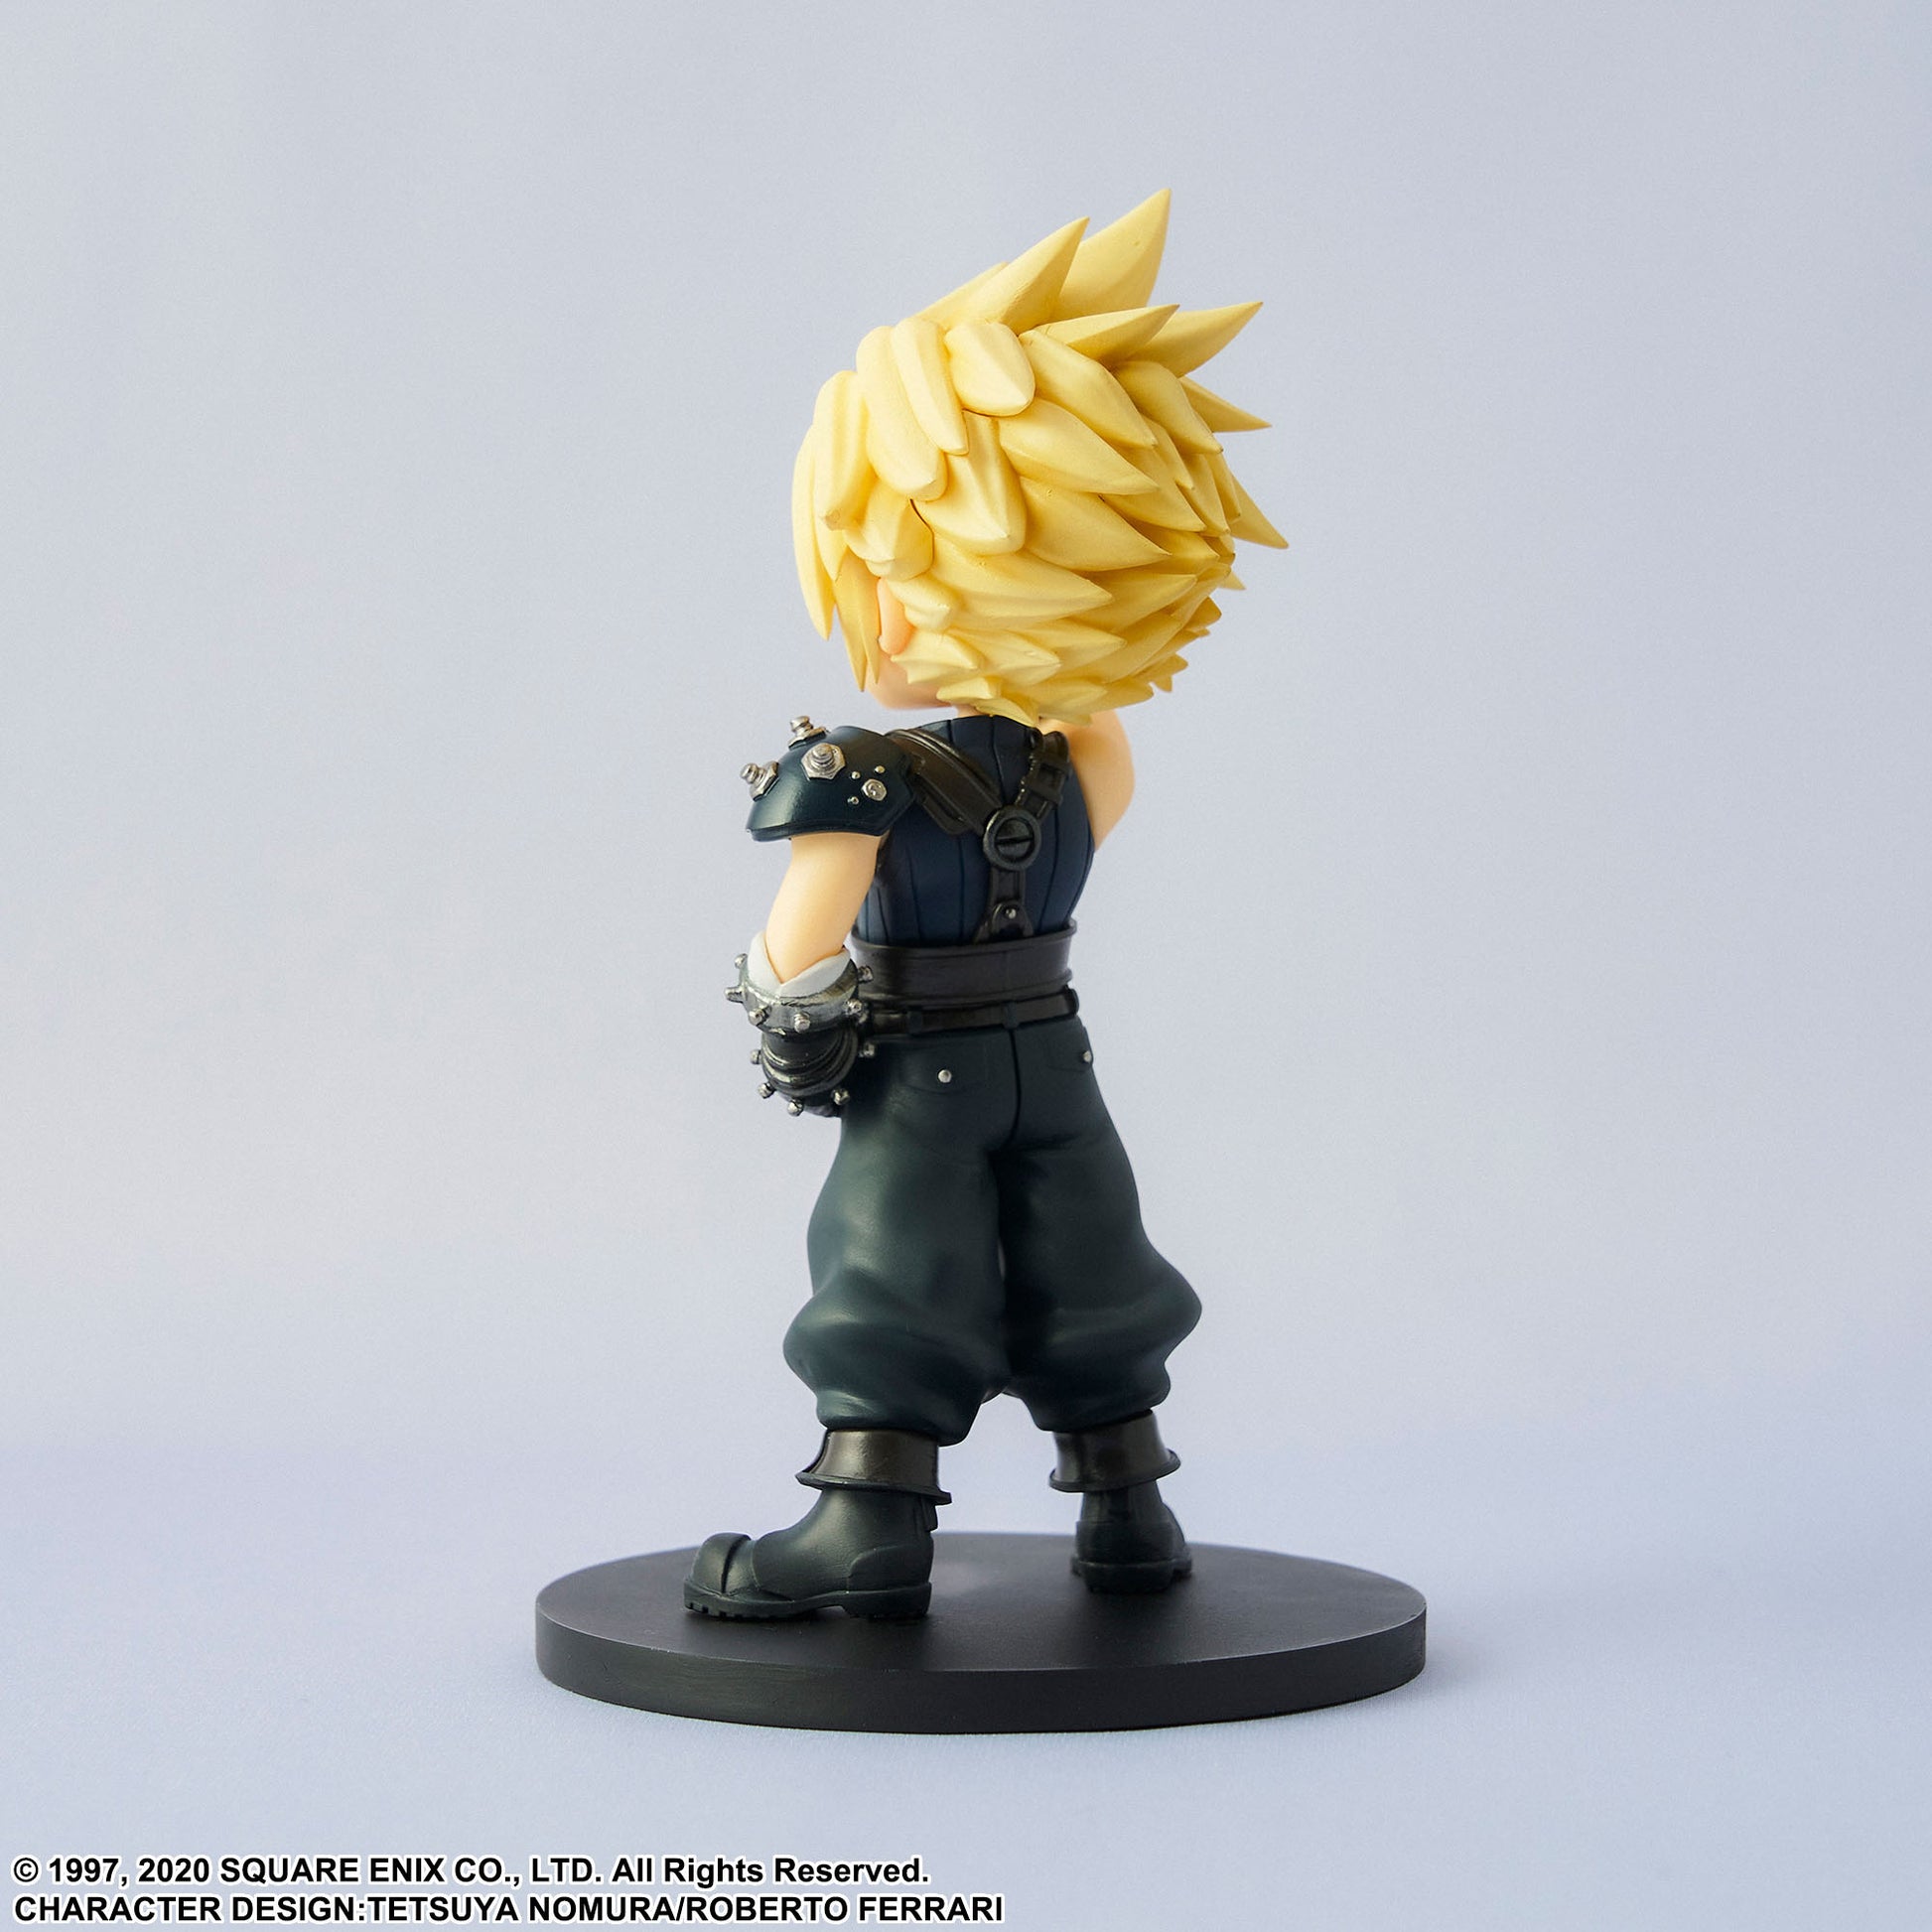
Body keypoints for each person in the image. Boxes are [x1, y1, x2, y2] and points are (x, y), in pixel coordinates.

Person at [685, 192, 1285, 1621]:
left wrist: (784, 1017)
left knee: (890, 1270)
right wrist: (1072, 616)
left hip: (923, 1073)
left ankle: (867, 1523)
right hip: (1054, 1059)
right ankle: (1128, 1508)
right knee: (1091, 1259)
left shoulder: (861, 777)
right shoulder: (1087, 760)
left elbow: (800, 942)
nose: (867, 609)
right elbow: (1089, 717)